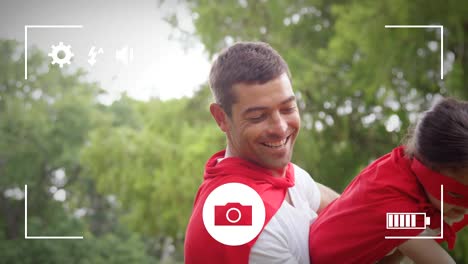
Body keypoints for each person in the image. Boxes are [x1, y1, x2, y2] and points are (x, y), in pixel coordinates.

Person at [184, 42, 339, 264]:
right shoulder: (239, 223)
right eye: (258, 116)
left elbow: (355, 214)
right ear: (221, 118)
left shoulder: (286, 177)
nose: (280, 128)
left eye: (288, 109)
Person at [309, 97, 468, 264]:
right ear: (427, 168)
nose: (466, 207)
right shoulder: (395, 206)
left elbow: (391, 254)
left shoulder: (403, 171)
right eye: (456, 194)